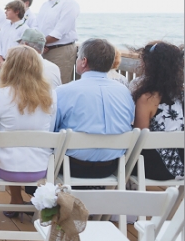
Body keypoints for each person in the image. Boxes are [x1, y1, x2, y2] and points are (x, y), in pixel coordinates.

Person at [0, 46, 57, 215]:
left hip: (5, 168)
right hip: (40, 167)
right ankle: (16, 199)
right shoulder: (51, 95)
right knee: (14, 149)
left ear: (9, 66)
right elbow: (51, 129)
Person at [54, 38, 135, 179]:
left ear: (84, 61)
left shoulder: (63, 91)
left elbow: (53, 130)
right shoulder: (124, 91)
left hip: (71, 166)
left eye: (78, 58)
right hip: (111, 166)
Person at [131, 41, 184, 180]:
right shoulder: (182, 94)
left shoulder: (147, 98)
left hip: (159, 168)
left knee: (121, 162)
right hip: (183, 164)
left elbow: (139, 138)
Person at [35, 0, 80, 84]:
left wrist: (40, 44)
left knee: (59, 84)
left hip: (60, 51)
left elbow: (59, 32)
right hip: (44, 51)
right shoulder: (45, 5)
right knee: (42, 85)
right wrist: (39, 45)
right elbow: (37, 27)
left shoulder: (69, 3)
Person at [0, 0, 30, 67]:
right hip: (2, 63)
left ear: (17, 12)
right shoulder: (4, 26)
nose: (5, 12)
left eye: (8, 10)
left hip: (15, 65)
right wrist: (0, 61)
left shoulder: (25, 29)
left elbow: (23, 50)